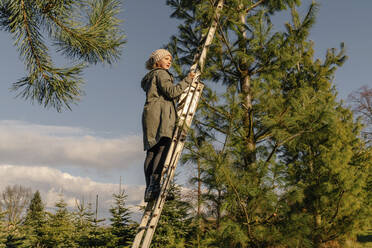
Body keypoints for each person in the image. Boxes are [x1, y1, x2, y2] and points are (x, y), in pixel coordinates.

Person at [141, 49, 195, 202]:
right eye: (166, 58)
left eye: (170, 58)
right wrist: (188, 80)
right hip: (160, 115)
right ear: (157, 61)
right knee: (163, 148)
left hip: (150, 114)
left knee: (151, 152)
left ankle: (149, 189)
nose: (169, 61)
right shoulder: (161, 73)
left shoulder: (151, 78)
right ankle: (156, 186)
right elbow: (171, 92)